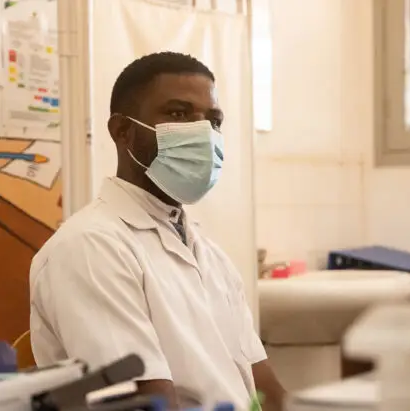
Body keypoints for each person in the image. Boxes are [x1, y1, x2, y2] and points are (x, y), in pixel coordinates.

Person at [29, 52, 285, 410]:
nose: (204, 133)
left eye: (213, 121)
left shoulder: (208, 253)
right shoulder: (90, 248)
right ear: (123, 131)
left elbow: (261, 383)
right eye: (178, 114)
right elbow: (145, 400)